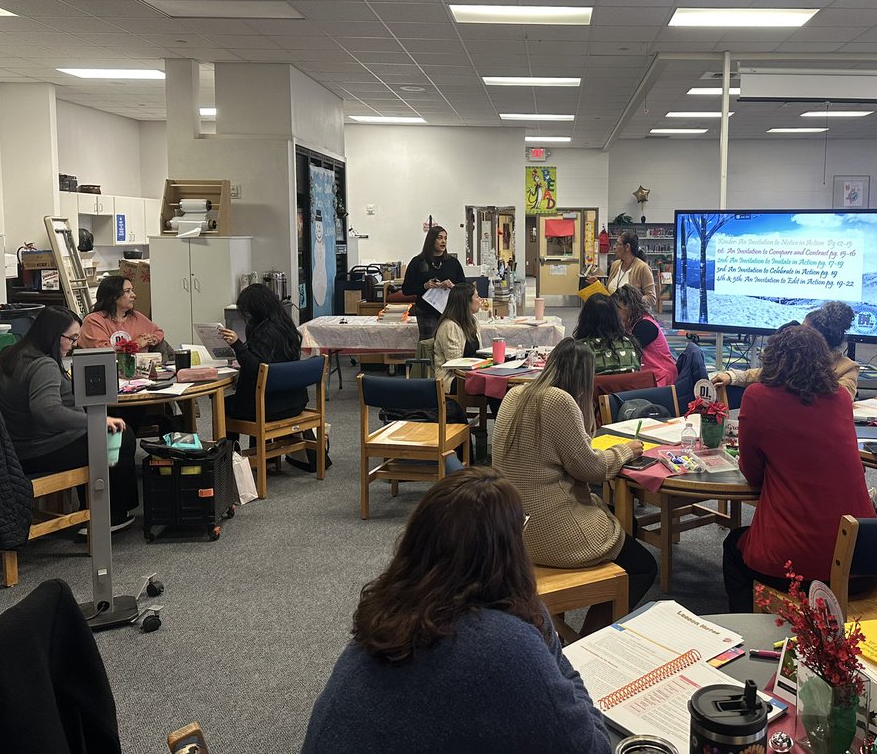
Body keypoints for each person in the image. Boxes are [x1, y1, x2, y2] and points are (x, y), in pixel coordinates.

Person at [302, 467, 610, 754]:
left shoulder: (389, 610)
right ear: (510, 548)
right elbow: (592, 747)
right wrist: (536, 619)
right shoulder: (502, 643)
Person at [492, 338, 658, 633]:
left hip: (512, 530)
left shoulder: (516, 393)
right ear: (585, 377)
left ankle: (575, 627)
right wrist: (625, 451)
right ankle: (590, 637)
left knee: (620, 523)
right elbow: (593, 469)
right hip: (552, 533)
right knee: (643, 566)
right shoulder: (560, 402)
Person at [723, 325, 875, 612]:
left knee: (734, 548)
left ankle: (746, 629)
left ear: (771, 358)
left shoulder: (758, 397)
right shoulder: (842, 398)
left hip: (795, 567)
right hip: (863, 558)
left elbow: (752, 473)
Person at [0, 305, 138, 532]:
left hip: (16, 446)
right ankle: (110, 515)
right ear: (52, 334)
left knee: (95, 434)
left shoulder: (10, 355)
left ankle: (92, 506)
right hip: (42, 449)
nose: (73, 345)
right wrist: (96, 422)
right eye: (71, 338)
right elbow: (48, 411)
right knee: (121, 436)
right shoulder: (44, 365)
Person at [219, 284, 319, 471]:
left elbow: (256, 370)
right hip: (295, 402)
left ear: (256, 310)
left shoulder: (264, 332)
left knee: (223, 405)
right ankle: (261, 458)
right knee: (255, 396)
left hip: (270, 407)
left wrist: (237, 345)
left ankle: (230, 462)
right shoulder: (285, 326)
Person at [711, 301, 860, 398]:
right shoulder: (795, 356)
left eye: (804, 330)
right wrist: (733, 376)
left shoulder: (847, 368)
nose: (798, 333)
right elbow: (765, 373)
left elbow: (841, 400)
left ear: (818, 339)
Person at [79, 275, 170, 357]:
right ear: (113, 295)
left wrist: (151, 338)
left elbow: (158, 331)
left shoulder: (136, 316)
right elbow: (105, 354)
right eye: (127, 291)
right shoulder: (93, 321)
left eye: (132, 291)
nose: (134, 295)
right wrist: (137, 344)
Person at [402, 226, 465, 341]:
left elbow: (464, 287)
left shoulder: (453, 262)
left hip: (449, 311)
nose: (443, 241)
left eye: (445, 238)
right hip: (426, 310)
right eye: (439, 238)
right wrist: (424, 286)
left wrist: (452, 286)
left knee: (449, 341)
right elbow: (406, 289)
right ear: (431, 240)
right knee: (429, 343)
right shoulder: (418, 262)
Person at [611, 285, 676, 388]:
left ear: (628, 306)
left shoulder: (645, 325)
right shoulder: (634, 322)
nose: (615, 313)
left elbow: (626, 353)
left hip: (660, 377)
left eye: (617, 308)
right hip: (649, 374)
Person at [573, 293, 641, 375]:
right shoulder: (630, 343)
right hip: (629, 383)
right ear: (615, 317)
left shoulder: (579, 351)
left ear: (585, 319)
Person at [432, 281, 480, 388]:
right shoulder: (450, 326)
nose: (480, 300)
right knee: (493, 386)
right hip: (453, 378)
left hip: (471, 373)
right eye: (477, 296)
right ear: (466, 302)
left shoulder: (473, 320)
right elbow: (455, 364)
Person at [604, 230, 657, 312]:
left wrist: (630, 300)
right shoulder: (615, 265)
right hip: (613, 315)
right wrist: (597, 285)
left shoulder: (642, 268)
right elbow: (611, 290)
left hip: (633, 316)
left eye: (618, 244)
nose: (614, 247)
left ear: (627, 247)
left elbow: (652, 298)